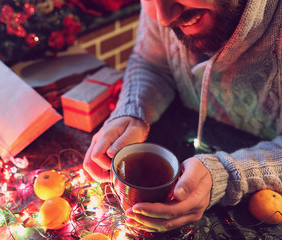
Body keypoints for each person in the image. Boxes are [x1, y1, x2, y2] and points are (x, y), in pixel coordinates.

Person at [83, 0, 282, 232]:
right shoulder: (163, 11)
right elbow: (151, 63)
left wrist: (227, 173)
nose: (163, 19)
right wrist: (133, 109)